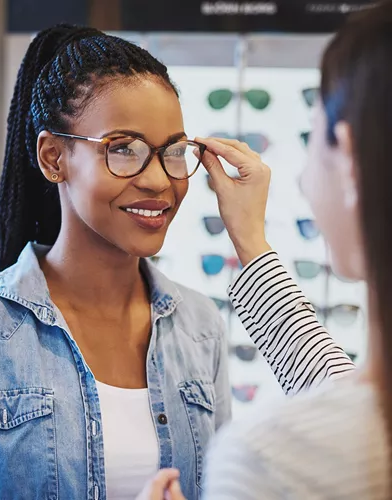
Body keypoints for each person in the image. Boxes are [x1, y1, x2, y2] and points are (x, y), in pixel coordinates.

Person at [0, 24, 352, 500]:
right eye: (123, 150)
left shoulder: (199, 326)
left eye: (173, 152)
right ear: (54, 158)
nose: (157, 180)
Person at [196, 2, 392, 498]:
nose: (305, 179)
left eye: (311, 139)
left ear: (347, 158)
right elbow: (339, 387)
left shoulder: (271, 462)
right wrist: (252, 243)